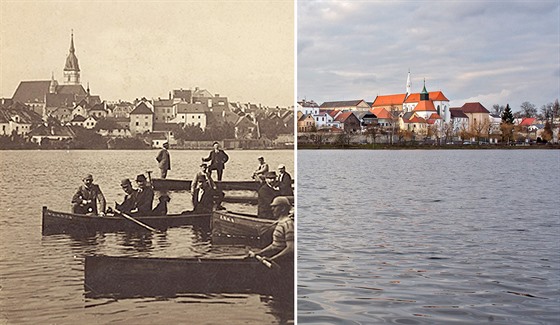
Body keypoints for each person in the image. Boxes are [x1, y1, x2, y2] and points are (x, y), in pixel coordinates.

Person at [249, 196, 294, 265]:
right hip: (278, 257)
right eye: (272, 207)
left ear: (283, 208)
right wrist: (259, 253)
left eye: (275, 207)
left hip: (284, 262)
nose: (272, 209)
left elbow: (291, 248)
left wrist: (272, 259)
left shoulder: (288, 224)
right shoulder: (280, 223)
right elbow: (275, 245)